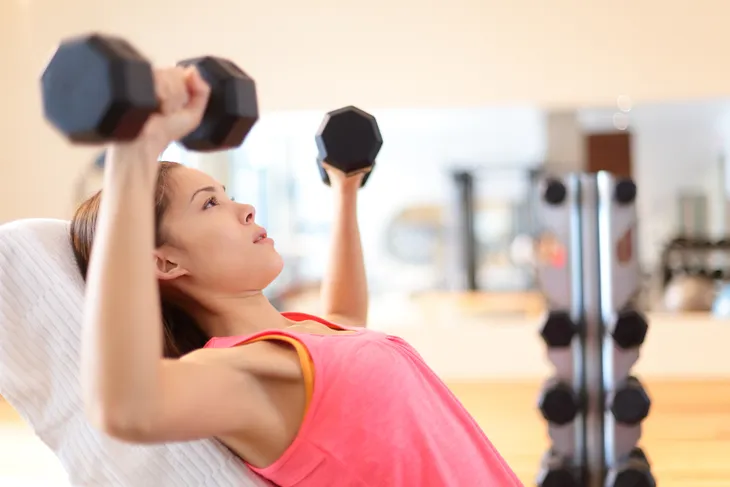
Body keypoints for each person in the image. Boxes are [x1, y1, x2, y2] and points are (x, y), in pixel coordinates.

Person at [70, 65, 523, 487]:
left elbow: (347, 318)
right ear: (164, 262)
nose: (245, 208)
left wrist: (344, 189)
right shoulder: (240, 372)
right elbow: (127, 407)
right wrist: (135, 151)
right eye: (209, 204)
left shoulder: (299, 341)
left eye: (226, 196)